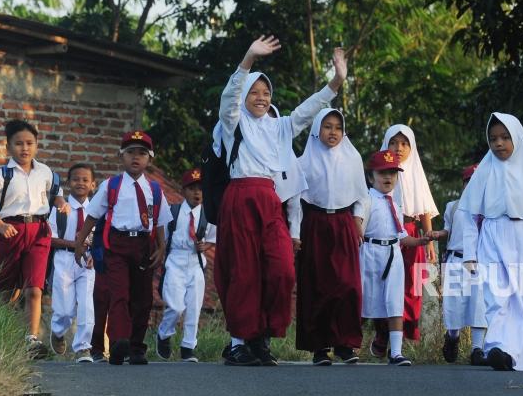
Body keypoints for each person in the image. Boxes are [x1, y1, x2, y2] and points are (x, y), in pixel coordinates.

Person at [215, 37, 347, 366]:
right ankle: (238, 344)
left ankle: (260, 335)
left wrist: (336, 81)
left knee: (281, 270)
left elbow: (308, 109)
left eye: (266, 93)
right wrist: (248, 58)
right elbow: (229, 97)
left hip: (270, 200)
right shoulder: (234, 123)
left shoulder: (280, 127)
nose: (261, 98)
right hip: (241, 196)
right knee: (243, 272)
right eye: (254, 92)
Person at [458, 113, 523, 372]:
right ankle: (499, 348)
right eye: (493, 139)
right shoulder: (485, 170)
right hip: (491, 236)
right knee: (495, 296)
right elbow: (469, 214)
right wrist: (470, 254)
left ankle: (520, 355)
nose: (499, 143)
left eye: (505, 137)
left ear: (517, 138)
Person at [75, 130, 173, 365]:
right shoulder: (112, 185)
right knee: (118, 293)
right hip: (116, 245)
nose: (135, 158)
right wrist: (80, 242)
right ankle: (120, 341)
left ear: (149, 158)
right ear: (122, 156)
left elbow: (159, 221)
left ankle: (137, 347)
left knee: (143, 298)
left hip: (143, 246)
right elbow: (93, 216)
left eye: (141, 153)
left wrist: (161, 247)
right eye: (130, 153)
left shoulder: (155, 190)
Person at [0, 119, 66, 358]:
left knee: (34, 288)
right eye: (18, 144)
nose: (24, 148)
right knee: (7, 289)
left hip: (39, 231)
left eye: (29, 143)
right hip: (11, 231)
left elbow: (55, 194)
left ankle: (31, 340)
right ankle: (0, 335)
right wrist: (0, 224)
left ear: (36, 145)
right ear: (8, 147)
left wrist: (61, 203)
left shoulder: (45, 172)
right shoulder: (1, 174)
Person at [296, 108, 368, 365]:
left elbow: (362, 195)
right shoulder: (304, 162)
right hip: (314, 223)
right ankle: (319, 346)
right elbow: (296, 201)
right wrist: (295, 233)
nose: (333, 132)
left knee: (348, 284)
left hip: (344, 223)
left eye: (338, 127)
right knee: (317, 284)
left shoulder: (352, 158)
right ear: (317, 129)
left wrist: (358, 220)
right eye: (327, 126)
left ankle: (345, 344)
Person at [359, 150, 431, 366]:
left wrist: (420, 241)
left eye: (392, 173)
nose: (388, 177)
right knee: (363, 300)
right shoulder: (367, 199)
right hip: (370, 253)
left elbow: (402, 236)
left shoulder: (396, 203)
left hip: (393, 254)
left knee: (394, 301)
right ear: (372, 176)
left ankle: (396, 352)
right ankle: (348, 344)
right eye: (382, 173)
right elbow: (358, 224)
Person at [371, 125, 438, 353]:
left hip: (411, 232)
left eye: (403, 143)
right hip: (385, 236)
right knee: (383, 285)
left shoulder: (415, 172)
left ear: (411, 146)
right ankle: (382, 333)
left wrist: (428, 241)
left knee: (411, 287)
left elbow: (424, 209)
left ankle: (403, 338)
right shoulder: (383, 172)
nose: (398, 148)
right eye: (393, 143)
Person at [426, 164, 488, 365]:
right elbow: (448, 230)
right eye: (469, 182)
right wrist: (438, 234)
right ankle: (452, 337)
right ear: (463, 184)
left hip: (479, 263)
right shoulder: (454, 206)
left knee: (479, 304)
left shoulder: (489, 210)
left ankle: (477, 349)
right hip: (455, 259)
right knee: (454, 305)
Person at [157, 169, 217, 363]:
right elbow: (162, 237)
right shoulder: (173, 212)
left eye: (200, 189)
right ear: (184, 191)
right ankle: (164, 334)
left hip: (196, 261)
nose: (197, 193)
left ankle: (188, 347)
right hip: (175, 259)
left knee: (194, 307)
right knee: (175, 305)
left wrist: (204, 246)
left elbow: (213, 239)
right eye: (192, 189)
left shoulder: (208, 214)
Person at [48, 163, 97, 363]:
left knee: (87, 306)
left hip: (88, 261)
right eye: (76, 179)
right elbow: (50, 239)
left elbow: (101, 237)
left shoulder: (96, 210)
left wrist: (95, 253)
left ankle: (83, 348)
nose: (80, 183)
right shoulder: (61, 209)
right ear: (68, 183)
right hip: (64, 258)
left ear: (93, 185)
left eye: (85, 180)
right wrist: (75, 244)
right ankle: (58, 331)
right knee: (65, 310)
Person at [268, 104, 307, 249]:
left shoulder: (287, 154)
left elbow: (294, 197)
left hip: (280, 221)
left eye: (272, 120)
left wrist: (294, 234)